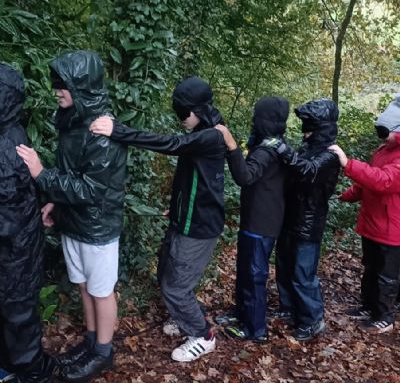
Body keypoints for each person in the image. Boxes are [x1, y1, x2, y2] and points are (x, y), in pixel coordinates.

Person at [89, 76, 226, 362]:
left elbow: (171, 144)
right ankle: (185, 315)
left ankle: (203, 335)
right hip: (183, 219)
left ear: (199, 110)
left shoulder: (211, 136)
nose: (180, 118)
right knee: (165, 273)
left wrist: (118, 131)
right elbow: (191, 177)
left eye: (183, 112)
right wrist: (176, 207)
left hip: (199, 226)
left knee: (175, 287)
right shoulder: (201, 131)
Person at [16, 51, 127, 382]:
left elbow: (92, 190)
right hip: (74, 222)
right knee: (83, 286)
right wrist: (55, 202)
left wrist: (42, 175)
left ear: (81, 87)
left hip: (97, 227)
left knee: (101, 290)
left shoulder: (101, 132)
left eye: (62, 85)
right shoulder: (72, 121)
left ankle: (103, 353)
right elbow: (71, 174)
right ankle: (91, 343)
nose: (57, 91)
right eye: (56, 84)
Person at [213, 96, 289, 342]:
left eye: (257, 116)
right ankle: (242, 313)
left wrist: (231, 146)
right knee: (246, 269)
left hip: (261, 223)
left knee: (254, 274)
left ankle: (255, 329)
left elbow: (245, 177)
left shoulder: (268, 149)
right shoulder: (276, 145)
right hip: (257, 219)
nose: (254, 121)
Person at [265, 98, 340, 341]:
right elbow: (293, 171)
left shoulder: (330, 155)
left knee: (302, 275)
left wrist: (283, 150)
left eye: (310, 126)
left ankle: (312, 320)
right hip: (289, 218)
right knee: (285, 267)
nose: (304, 131)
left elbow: (308, 171)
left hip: (308, 225)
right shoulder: (306, 149)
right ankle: (289, 308)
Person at [0, 64, 56, 382]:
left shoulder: (12, 141)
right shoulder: (13, 135)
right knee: (13, 310)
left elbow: (14, 200)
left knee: (18, 310)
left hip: (16, 247)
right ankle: (14, 366)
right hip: (16, 244)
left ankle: (30, 370)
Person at [329, 95, 400, 333]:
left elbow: (384, 181)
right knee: (370, 268)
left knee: (387, 276)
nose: (383, 136)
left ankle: (385, 317)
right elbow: (367, 182)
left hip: (392, 229)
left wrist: (348, 163)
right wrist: (345, 196)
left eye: (386, 131)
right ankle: (369, 306)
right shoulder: (383, 150)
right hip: (372, 223)